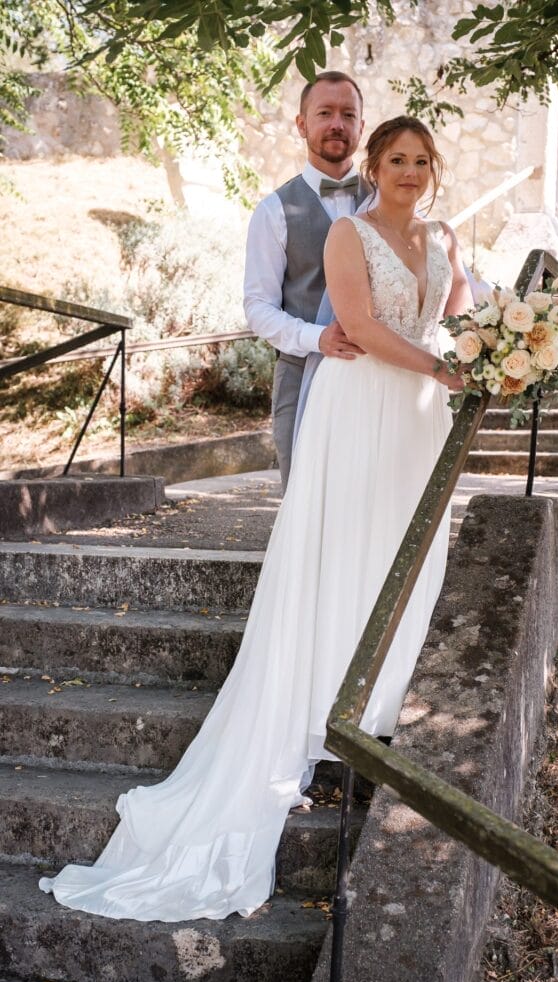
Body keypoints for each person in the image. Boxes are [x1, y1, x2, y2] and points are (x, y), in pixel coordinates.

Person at [39, 116, 472, 923]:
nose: (409, 172)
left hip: (421, 415)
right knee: (344, 547)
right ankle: (321, 706)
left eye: (421, 160)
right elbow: (368, 329)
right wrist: (449, 368)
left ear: (432, 168)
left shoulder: (443, 234)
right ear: (374, 168)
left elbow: (453, 309)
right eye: (396, 160)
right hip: (363, 405)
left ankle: (379, 700)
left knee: (405, 551)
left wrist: (494, 349)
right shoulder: (348, 233)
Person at [243, 71, 370, 489]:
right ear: (302, 124)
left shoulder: (384, 201)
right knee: (304, 503)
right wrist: (317, 339)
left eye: (348, 114)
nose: (337, 123)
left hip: (377, 381)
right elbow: (258, 307)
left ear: (361, 127)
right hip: (302, 380)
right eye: (325, 113)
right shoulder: (274, 210)